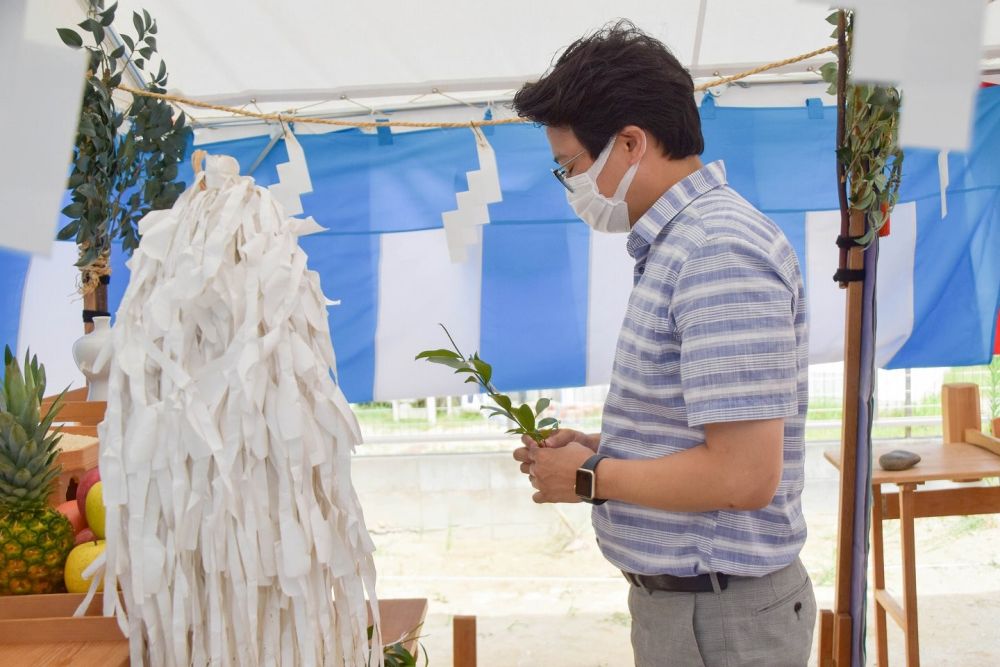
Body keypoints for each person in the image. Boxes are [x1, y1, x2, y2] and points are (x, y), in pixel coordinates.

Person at [510, 21, 815, 667]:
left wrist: (592, 477)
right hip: (693, 607)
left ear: (629, 143)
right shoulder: (679, 243)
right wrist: (604, 446)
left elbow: (744, 474)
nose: (572, 188)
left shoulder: (717, 250)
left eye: (571, 166)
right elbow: (707, 435)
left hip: (721, 615)